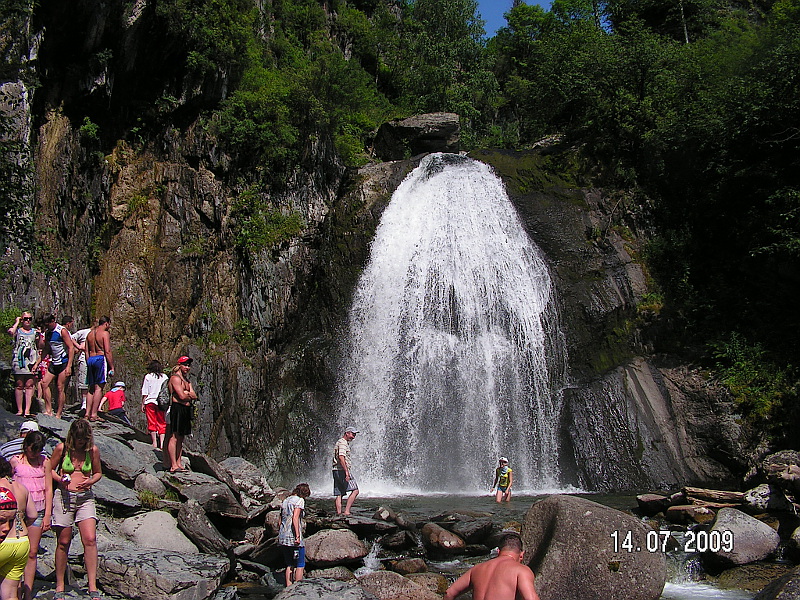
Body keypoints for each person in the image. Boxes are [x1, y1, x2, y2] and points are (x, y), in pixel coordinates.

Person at [50, 419, 103, 600]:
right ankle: (60, 586)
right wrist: (60, 479)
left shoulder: (92, 451)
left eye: (84, 439)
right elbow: (48, 469)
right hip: (64, 497)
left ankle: (92, 585)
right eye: (78, 439)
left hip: (85, 498)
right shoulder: (61, 449)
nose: (81, 442)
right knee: (63, 541)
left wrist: (91, 481)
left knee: (90, 538)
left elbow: (98, 472)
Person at [10, 431, 52, 600]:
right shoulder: (15, 461)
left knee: (32, 552)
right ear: (26, 446)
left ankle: (28, 591)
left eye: (38, 450)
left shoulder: (45, 462)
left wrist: (48, 514)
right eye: (33, 449)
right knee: (16, 550)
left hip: (39, 509)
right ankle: (15, 587)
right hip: (18, 513)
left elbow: (49, 488)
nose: (35, 453)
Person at [444, 532, 540, 600]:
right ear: (521, 555)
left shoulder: (477, 568)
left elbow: (449, 593)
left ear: (498, 551)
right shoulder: (521, 571)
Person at [0, 456, 37, 600]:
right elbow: (33, 514)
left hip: (3, 543)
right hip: (21, 542)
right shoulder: (21, 486)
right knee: (10, 594)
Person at [39, 315, 76, 419]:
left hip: (63, 362)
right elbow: (46, 349)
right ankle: (49, 409)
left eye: (48, 324)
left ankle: (59, 413)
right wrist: (38, 362)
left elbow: (71, 348)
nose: (47, 326)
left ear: (53, 321)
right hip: (54, 362)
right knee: (44, 383)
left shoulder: (62, 331)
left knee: (60, 387)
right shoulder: (48, 333)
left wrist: (69, 366)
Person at [7, 312, 40, 417]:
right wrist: (17, 322)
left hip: (31, 360)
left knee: (29, 385)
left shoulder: (35, 332)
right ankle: (19, 409)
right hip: (19, 360)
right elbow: (10, 332)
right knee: (19, 385)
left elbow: (40, 345)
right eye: (25, 319)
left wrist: (41, 335)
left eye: (30, 318)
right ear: (22, 320)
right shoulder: (18, 331)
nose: (28, 321)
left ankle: (27, 410)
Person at [278, 483, 311, 587]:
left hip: (283, 536)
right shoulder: (300, 501)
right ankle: (297, 588)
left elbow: (280, 520)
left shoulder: (286, 501)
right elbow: (295, 518)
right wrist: (297, 536)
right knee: (300, 564)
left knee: (289, 564)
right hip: (293, 537)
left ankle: (288, 587)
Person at [167, 356, 196, 473]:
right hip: (177, 408)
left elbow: (194, 395)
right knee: (174, 436)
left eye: (188, 365)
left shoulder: (187, 380)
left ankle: (179, 463)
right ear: (179, 365)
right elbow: (182, 396)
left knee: (181, 437)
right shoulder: (175, 378)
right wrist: (187, 394)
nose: (187, 367)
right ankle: (173, 465)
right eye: (185, 365)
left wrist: (187, 393)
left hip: (186, 409)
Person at [86, 316, 115, 423]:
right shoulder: (104, 334)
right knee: (99, 388)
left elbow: (86, 350)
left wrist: (88, 362)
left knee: (91, 387)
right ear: (106, 323)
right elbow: (107, 351)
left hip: (90, 359)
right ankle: (94, 414)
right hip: (100, 358)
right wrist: (111, 366)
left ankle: (86, 413)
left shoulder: (90, 334)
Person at [332, 426, 359, 516]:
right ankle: (347, 511)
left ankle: (339, 513)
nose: (353, 437)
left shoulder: (339, 442)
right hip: (342, 471)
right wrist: (346, 472)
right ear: (347, 433)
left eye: (354, 435)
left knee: (339, 493)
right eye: (352, 434)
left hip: (336, 470)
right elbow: (341, 457)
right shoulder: (343, 443)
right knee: (355, 490)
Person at [141, 361, 168, 449]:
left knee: (151, 421)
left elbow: (145, 391)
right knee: (162, 422)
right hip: (161, 402)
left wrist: (143, 403)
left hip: (150, 401)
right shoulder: (164, 377)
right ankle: (162, 443)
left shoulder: (148, 376)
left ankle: (154, 442)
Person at [71, 323, 92, 412]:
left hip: (95, 359)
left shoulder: (101, 333)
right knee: (83, 381)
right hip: (84, 359)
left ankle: (92, 404)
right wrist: (79, 346)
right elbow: (71, 337)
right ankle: (84, 403)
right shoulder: (85, 332)